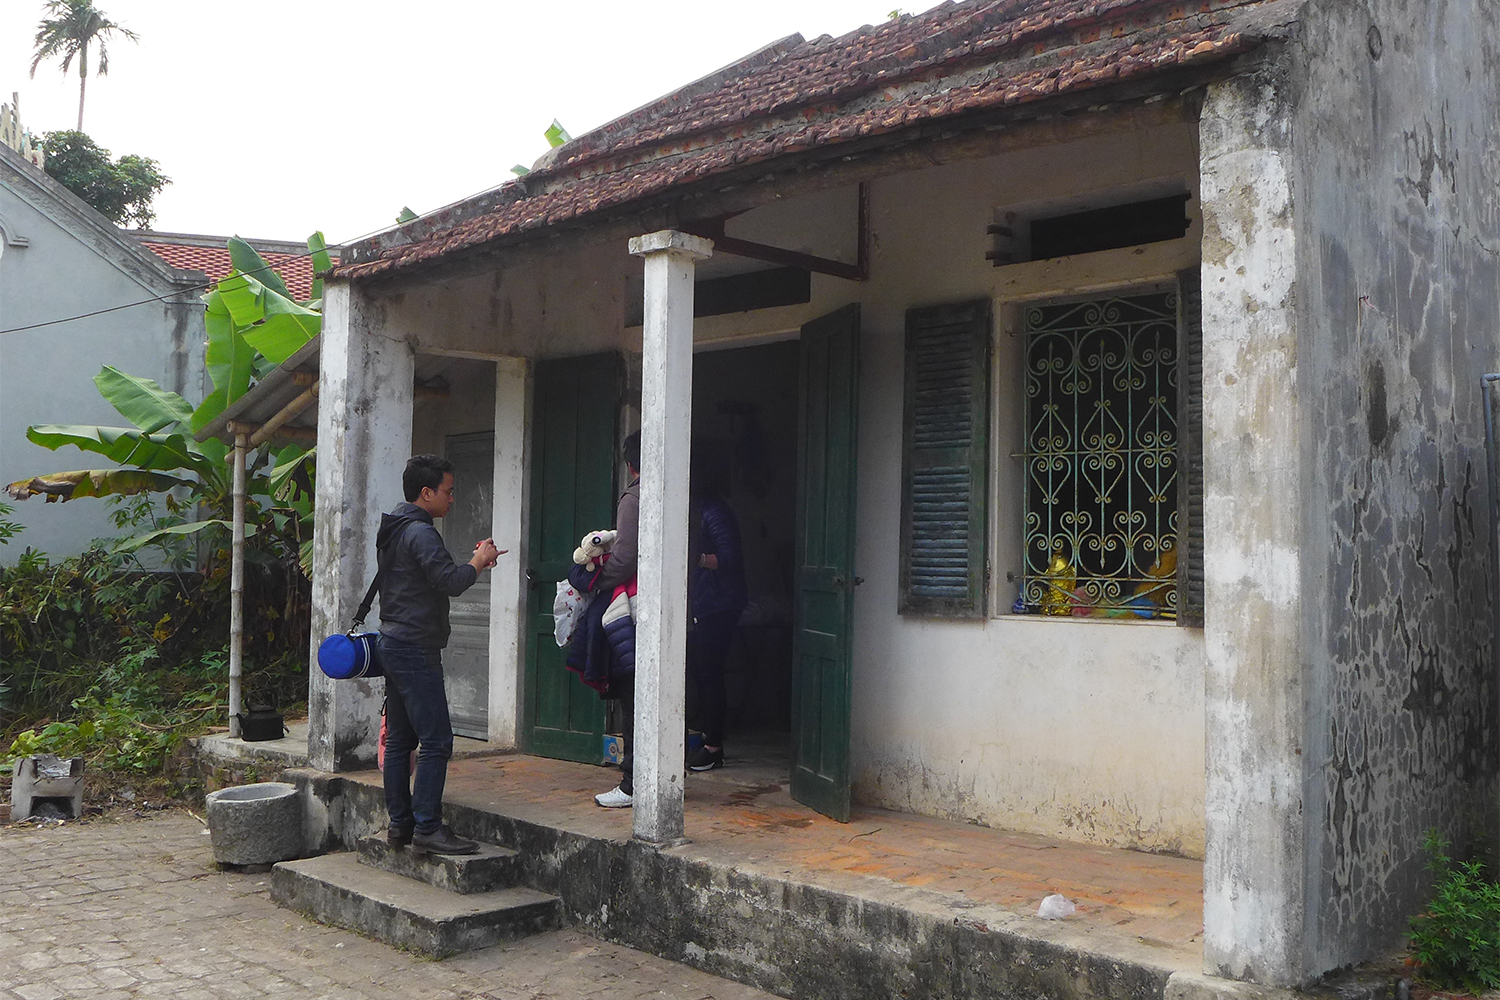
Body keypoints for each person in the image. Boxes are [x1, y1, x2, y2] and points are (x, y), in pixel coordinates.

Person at [377, 454, 502, 853]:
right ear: (426, 492)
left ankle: (401, 826)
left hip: (392, 641)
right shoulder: (420, 532)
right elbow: (449, 581)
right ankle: (427, 829)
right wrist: (479, 561)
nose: (452, 499)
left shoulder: (395, 527)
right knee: (436, 740)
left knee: (400, 739)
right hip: (415, 646)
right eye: (447, 491)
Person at [686, 452, 747, 772]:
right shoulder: (701, 508)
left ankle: (713, 747)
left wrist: (695, 558)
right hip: (705, 603)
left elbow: (728, 557)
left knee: (709, 672)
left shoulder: (715, 511)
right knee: (701, 671)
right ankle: (709, 740)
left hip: (720, 604)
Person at [594, 431, 641, 808]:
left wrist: (594, 580)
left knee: (632, 695)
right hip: (678, 608)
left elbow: (624, 559)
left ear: (630, 465)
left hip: (637, 611)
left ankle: (631, 783)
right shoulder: (681, 494)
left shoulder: (634, 497)